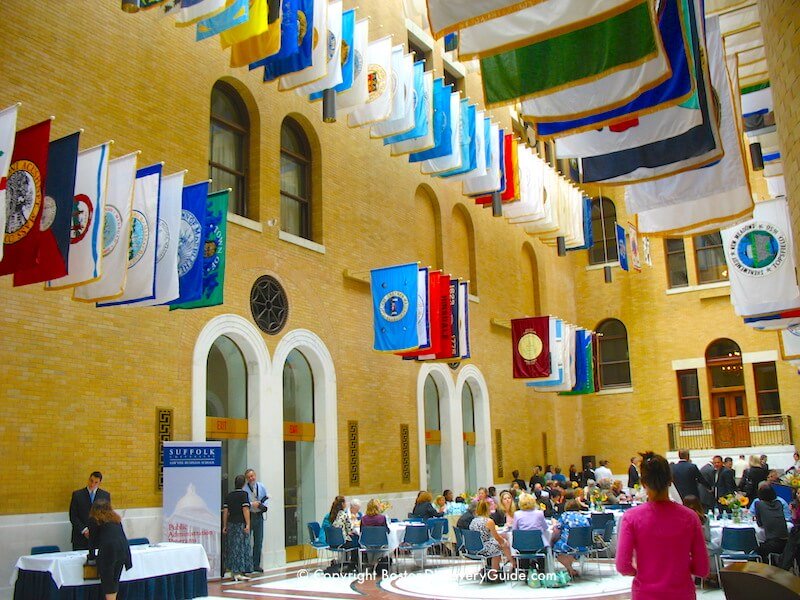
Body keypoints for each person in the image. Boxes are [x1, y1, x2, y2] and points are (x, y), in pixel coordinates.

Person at [616, 451, 709, 598]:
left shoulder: (631, 518)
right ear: (671, 480)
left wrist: (640, 572)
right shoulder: (690, 517)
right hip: (682, 593)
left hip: (646, 593)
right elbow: (702, 568)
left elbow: (623, 566)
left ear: (643, 483)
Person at [87, 501, 132, 600]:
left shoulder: (94, 519)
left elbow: (92, 540)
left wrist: (91, 557)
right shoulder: (116, 519)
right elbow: (122, 536)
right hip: (122, 549)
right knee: (115, 581)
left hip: (108, 551)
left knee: (108, 584)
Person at [469, 500, 516, 582]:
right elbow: (497, 537)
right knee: (502, 545)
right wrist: (504, 541)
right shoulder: (489, 521)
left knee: (500, 544)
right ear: (487, 509)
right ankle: (507, 567)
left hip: (474, 547)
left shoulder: (473, 521)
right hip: (484, 547)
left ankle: (508, 565)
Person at [682, 495, 719, 585]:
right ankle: (712, 575)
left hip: (685, 548)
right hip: (701, 546)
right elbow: (707, 537)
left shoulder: (682, 518)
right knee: (716, 550)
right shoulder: (704, 518)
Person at [70, 471, 112, 550]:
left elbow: (107, 515)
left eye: (96, 482)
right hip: (80, 537)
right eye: (91, 481)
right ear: (88, 479)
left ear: (99, 483)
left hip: (98, 537)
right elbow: (73, 516)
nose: (92, 484)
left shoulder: (105, 495)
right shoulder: (77, 495)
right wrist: (84, 530)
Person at [223, 474, 252, 581]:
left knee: (232, 546)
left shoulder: (229, 495)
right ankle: (239, 571)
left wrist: (225, 525)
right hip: (240, 523)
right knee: (241, 547)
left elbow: (226, 512)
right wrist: (248, 524)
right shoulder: (243, 495)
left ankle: (233, 570)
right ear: (244, 484)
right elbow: (245, 510)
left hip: (231, 523)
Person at [552, 499, 591, 577]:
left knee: (552, 545)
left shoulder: (565, 516)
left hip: (569, 545)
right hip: (584, 545)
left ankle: (569, 569)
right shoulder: (583, 517)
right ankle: (570, 569)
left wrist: (554, 523)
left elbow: (557, 530)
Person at [242, 468, 268, 573]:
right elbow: (244, 503)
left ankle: (256, 564)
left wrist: (262, 506)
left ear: (255, 476)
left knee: (259, 541)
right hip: (250, 516)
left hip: (259, 516)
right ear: (246, 479)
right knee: (247, 541)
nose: (251, 478)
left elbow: (266, 498)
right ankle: (247, 565)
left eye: (252, 476)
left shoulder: (261, 486)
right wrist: (252, 504)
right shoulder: (245, 490)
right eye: (249, 477)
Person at [754, 484, 789, 561]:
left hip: (772, 543)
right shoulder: (779, 503)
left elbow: (760, 524)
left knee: (756, 552)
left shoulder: (759, 504)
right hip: (786, 542)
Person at [360, 499, 389, 566]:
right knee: (382, 545)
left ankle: (371, 563)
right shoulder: (382, 518)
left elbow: (361, 531)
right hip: (380, 542)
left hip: (367, 542)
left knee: (370, 546)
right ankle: (375, 563)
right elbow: (387, 531)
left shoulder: (363, 518)